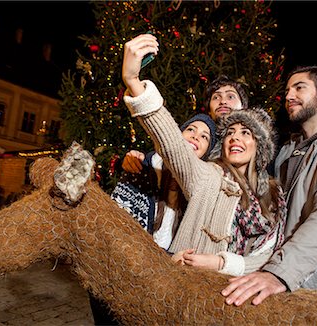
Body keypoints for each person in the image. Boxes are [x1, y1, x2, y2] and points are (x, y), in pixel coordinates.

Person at [121, 33, 287, 276]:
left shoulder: (272, 192)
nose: (235, 137)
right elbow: (172, 145)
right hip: (184, 283)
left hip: (236, 293)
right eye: (230, 132)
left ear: (259, 145)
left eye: (245, 132)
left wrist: (222, 264)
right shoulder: (206, 173)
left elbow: (270, 252)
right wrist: (133, 81)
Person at [221, 65, 317, 306]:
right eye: (286, 90)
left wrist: (279, 273)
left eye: (299, 88)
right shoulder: (287, 151)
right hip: (277, 275)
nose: (288, 96)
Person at [111, 113, 217, 249]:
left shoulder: (198, 193)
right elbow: (115, 222)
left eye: (204, 137)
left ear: (206, 153)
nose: (195, 136)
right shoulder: (142, 168)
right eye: (191, 129)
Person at [121, 74, 249, 175]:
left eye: (230, 97)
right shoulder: (199, 141)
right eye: (216, 97)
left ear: (243, 106)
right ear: (209, 109)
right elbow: (167, 151)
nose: (223, 101)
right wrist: (141, 162)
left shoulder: (257, 141)